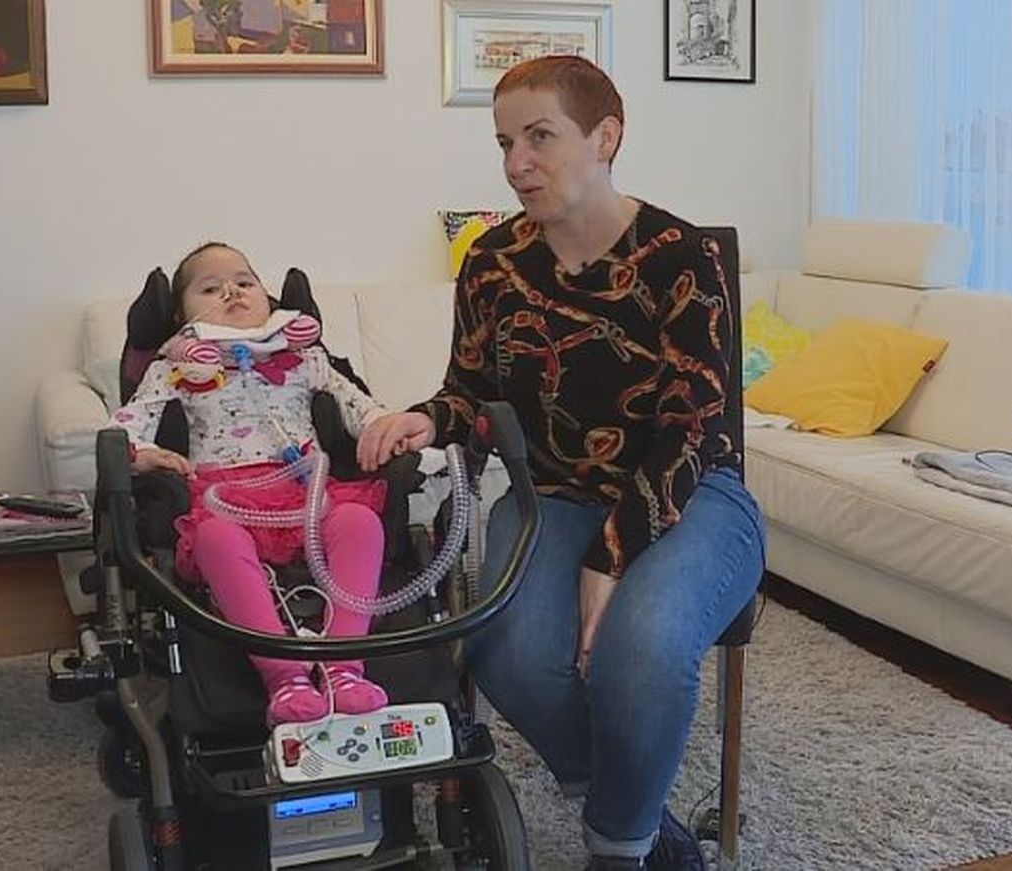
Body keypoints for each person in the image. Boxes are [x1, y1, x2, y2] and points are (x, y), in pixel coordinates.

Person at [356, 56, 765, 871]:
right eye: (504, 143)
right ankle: (635, 815)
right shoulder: (492, 261)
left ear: (606, 137)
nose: (516, 164)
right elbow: (472, 391)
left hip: (693, 497)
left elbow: (690, 430)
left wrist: (607, 559)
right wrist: (425, 418)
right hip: (552, 494)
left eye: (539, 137)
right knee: (505, 651)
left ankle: (617, 852)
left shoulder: (684, 258)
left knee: (640, 649)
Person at [110, 242, 391, 726]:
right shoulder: (173, 368)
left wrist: (384, 427)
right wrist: (142, 454)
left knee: (360, 522)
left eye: (245, 282)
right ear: (180, 315)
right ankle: (286, 678)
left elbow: (360, 407)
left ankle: (344, 668)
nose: (232, 293)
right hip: (223, 498)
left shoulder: (304, 359)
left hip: (307, 491)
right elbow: (125, 428)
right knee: (216, 539)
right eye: (210, 288)